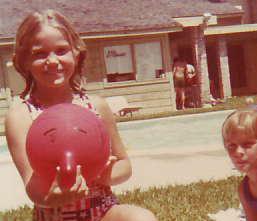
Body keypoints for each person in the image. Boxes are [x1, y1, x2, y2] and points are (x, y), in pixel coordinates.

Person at [5, 10, 157, 221]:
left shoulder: (96, 106)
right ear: (24, 60)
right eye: (40, 53)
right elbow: (33, 187)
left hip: (103, 211)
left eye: (61, 50)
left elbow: (124, 164)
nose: (52, 60)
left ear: (76, 53)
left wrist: (105, 175)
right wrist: (53, 197)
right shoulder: (21, 116)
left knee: (141, 218)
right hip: (54, 216)